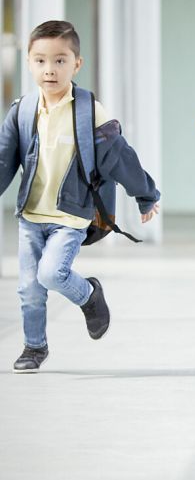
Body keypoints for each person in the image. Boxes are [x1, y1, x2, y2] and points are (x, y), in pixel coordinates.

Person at [0, 20, 160, 373]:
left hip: (71, 216)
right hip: (31, 215)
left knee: (52, 275)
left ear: (77, 64)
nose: (49, 69)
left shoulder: (89, 112)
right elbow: (3, 158)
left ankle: (89, 295)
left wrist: (145, 195)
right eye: (40, 61)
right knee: (29, 289)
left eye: (60, 60)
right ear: (29, 63)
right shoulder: (22, 111)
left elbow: (120, 157)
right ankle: (34, 347)